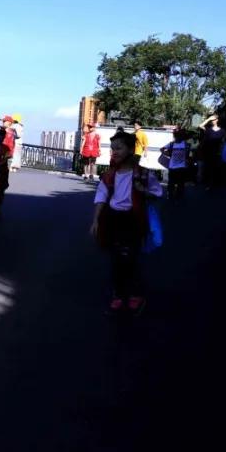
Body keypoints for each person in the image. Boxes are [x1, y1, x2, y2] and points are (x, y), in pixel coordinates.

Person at [90, 131, 163, 316]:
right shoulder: (110, 175)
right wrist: (96, 220)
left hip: (134, 220)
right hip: (115, 219)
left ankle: (135, 294)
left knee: (130, 257)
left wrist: (143, 190)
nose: (114, 152)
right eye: (112, 148)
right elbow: (101, 196)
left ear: (131, 149)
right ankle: (118, 293)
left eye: (119, 148)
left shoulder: (143, 174)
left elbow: (157, 192)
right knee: (116, 258)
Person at [199, 115, 226, 189]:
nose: (212, 121)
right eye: (211, 120)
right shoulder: (208, 130)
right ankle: (209, 185)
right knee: (208, 169)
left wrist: (221, 152)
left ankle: (215, 185)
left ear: (217, 120)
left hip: (217, 153)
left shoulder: (222, 131)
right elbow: (200, 125)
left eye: (214, 120)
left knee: (216, 169)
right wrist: (208, 119)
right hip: (208, 153)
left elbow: (223, 143)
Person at [162, 129, 190, 200]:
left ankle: (173, 196)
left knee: (173, 183)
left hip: (175, 167)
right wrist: (168, 154)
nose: (177, 137)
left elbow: (162, 149)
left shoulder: (173, 144)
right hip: (179, 167)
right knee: (178, 183)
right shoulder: (183, 144)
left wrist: (168, 154)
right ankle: (176, 196)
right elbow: (187, 155)